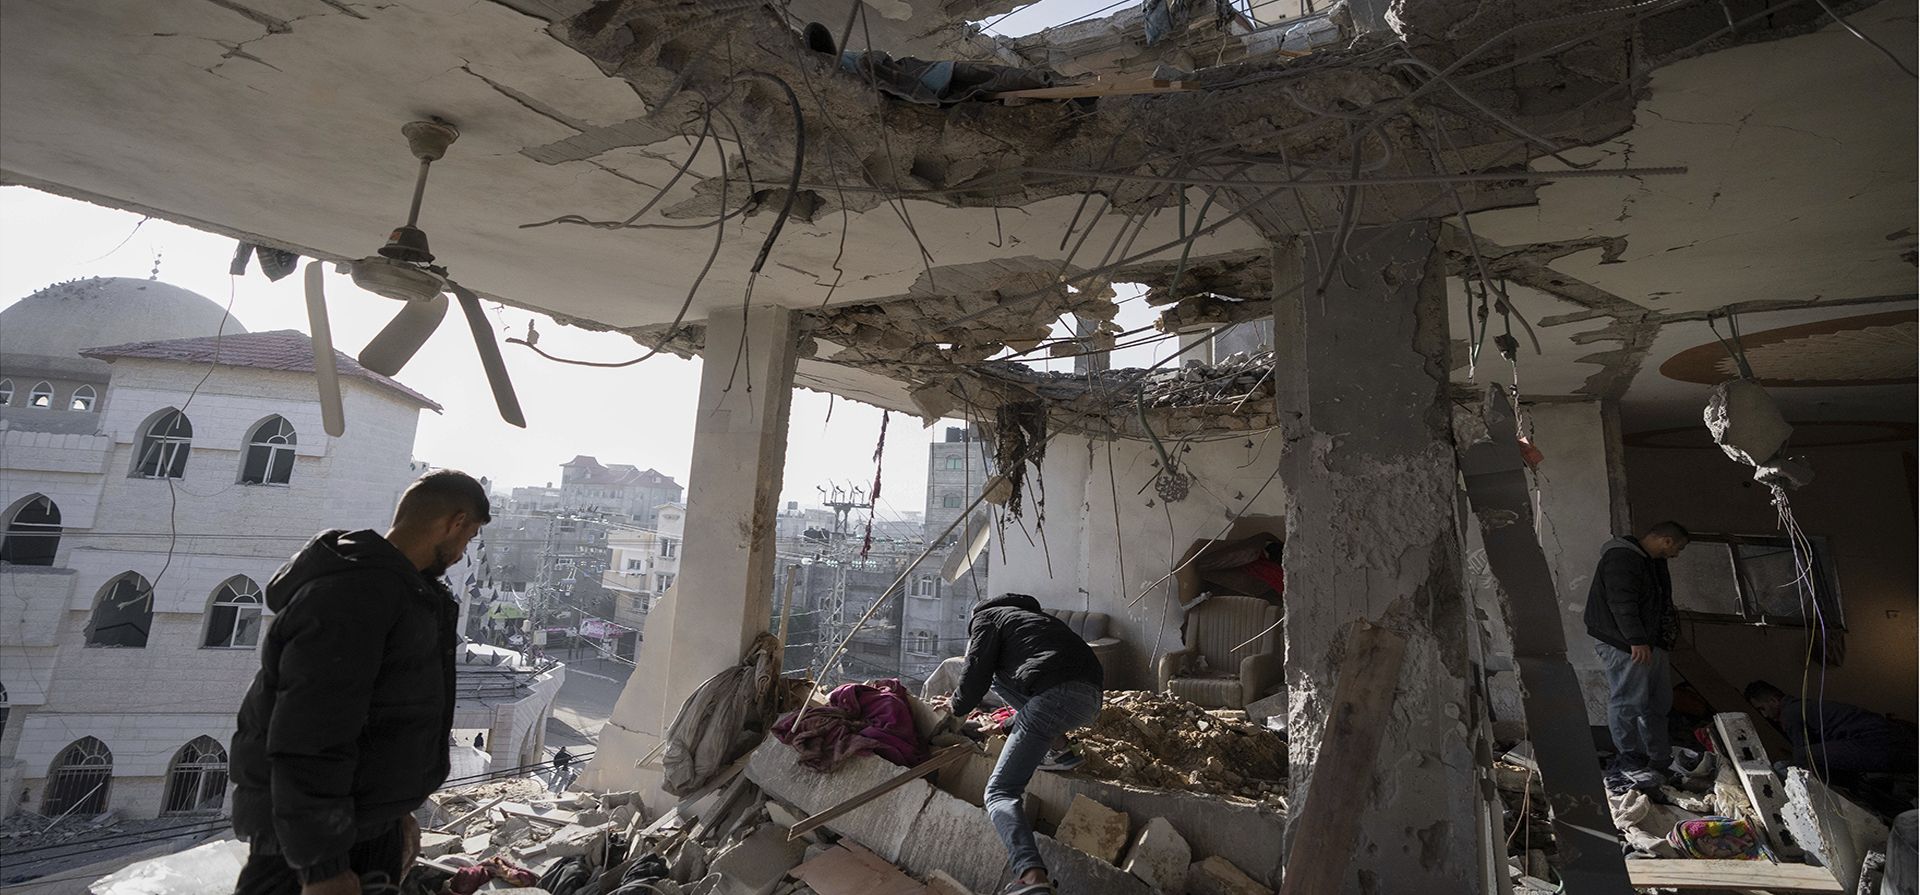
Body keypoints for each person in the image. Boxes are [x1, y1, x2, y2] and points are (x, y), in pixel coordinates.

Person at [229, 470, 491, 895]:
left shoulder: (397, 590)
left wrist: (392, 811)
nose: (463, 552)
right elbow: (310, 734)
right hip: (303, 852)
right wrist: (322, 867)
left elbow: (382, 720)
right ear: (456, 522)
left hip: (359, 830)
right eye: (470, 535)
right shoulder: (355, 593)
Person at [948, 593, 1105, 895]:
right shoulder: (1038, 621)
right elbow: (1035, 681)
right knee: (1000, 680)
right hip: (1089, 701)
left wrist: (953, 712)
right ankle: (1060, 749)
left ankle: (1031, 878)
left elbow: (974, 675)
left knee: (999, 792)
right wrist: (1008, 724)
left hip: (1054, 697)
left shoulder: (987, 617)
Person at [1583, 521, 1689, 790]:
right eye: (1677, 547)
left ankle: (1658, 760)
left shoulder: (1652, 561)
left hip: (1649, 643)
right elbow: (1621, 602)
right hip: (1626, 644)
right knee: (1628, 701)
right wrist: (1636, 640)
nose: (1676, 554)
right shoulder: (1622, 557)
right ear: (1666, 540)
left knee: (1657, 703)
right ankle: (1629, 758)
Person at [1743, 680, 1917, 779]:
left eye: (1762, 709)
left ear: (1773, 701)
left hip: (1878, 743)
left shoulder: (1790, 714)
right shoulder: (1800, 706)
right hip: (1893, 739)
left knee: (1802, 756)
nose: (1764, 715)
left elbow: (1803, 757)